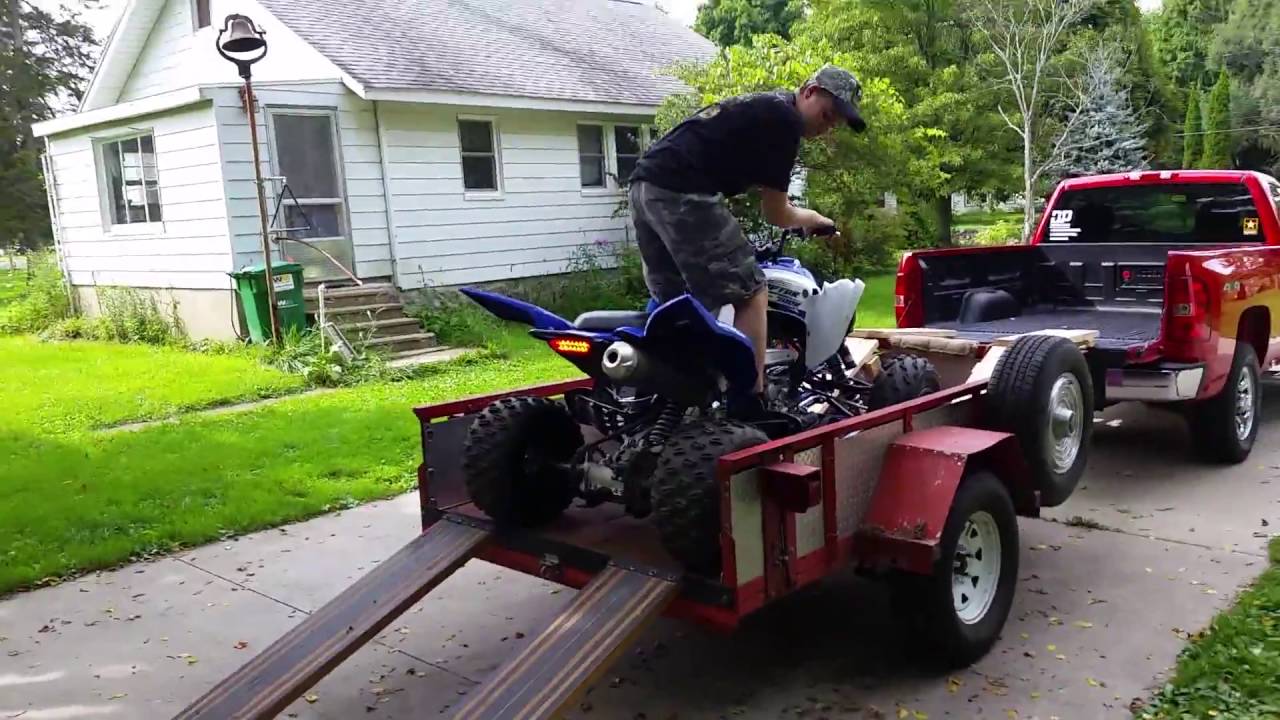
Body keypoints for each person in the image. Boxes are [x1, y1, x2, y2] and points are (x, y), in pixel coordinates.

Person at [626, 64, 866, 418]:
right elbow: (777, 214)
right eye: (827, 114)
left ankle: (659, 394)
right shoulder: (785, 121)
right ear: (810, 91)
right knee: (751, 291)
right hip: (681, 190)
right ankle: (749, 401)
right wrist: (816, 220)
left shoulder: (763, 109)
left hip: (644, 186)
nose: (826, 126)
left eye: (834, 124)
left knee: (676, 304)